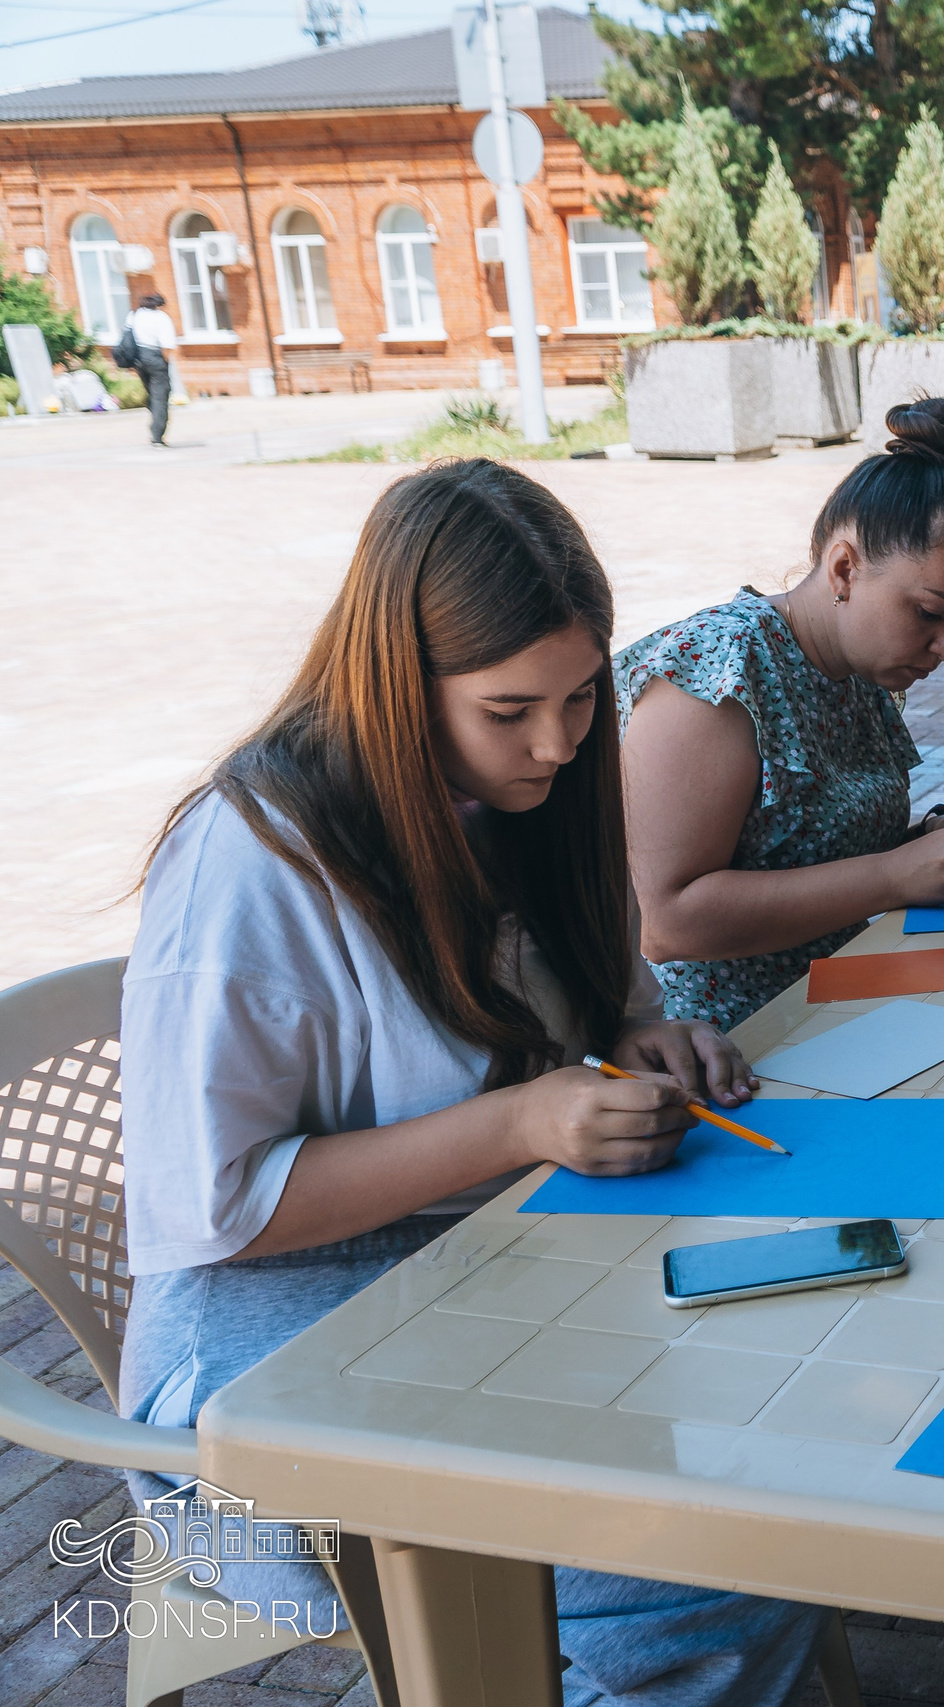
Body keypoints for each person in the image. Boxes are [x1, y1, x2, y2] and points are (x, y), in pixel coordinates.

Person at [120, 458, 834, 1704]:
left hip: (471, 1290)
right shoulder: (252, 861)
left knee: (780, 1451)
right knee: (719, 1564)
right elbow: (213, 1207)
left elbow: (592, 999)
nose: (556, 743)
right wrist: (520, 1121)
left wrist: (636, 1037)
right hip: (239, 1418)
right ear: (400, 686)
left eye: (578, 698)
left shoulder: (530, 792)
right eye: (510, 712)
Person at [619, 398, 944, 1031]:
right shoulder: (719, 670)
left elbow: (811, 856)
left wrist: (935, 846)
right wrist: (894, 876)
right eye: (929, 614)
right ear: (844, 568)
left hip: (847, 1003)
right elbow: (666, 922)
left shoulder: (859, 670)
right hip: (723, 1049)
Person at [127, 290, 177, 447]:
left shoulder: (134, 315)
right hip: (156, 358)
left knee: (152, 394)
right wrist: (166, 363)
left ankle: (155, 423)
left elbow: (127, 338)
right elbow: (167, 345)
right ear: (159, 304)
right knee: (160, 396)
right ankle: (157, 436)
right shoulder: (161, 318)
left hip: (138, 359)